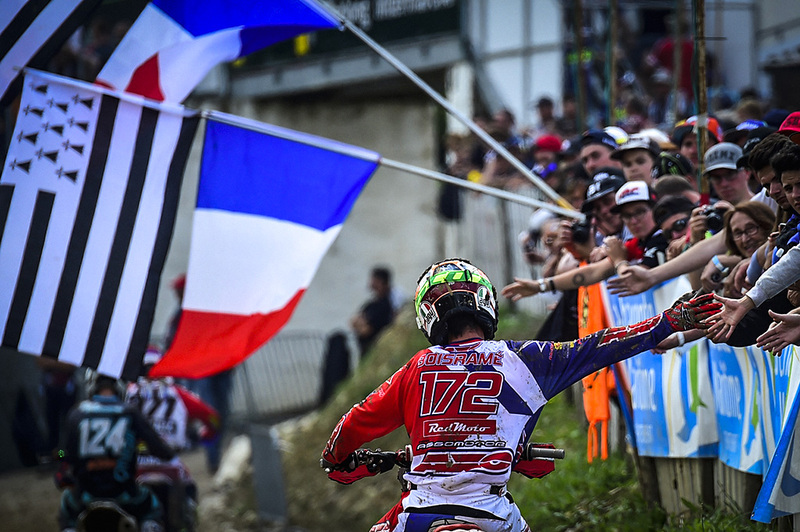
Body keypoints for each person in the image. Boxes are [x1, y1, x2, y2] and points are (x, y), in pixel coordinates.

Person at [320, 259, 719, 532]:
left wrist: (337, 462)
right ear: (486, 304)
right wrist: (671, 319)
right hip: (492, 513)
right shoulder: (523, 359)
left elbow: (354, 422)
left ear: (429, 317)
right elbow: (604, 345)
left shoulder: (416, 367)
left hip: (420, 511)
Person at [57, 373, 174, 532]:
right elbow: (161, 450)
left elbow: (64, 453)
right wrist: (167, 451)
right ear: (120, 386)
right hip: (126, 494)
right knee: (152, 509)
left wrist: (60, 460)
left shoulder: (77, 413)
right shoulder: (130, 413)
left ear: (90, 385)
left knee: (67, 513)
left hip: (86, 495)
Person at [320, 266, 396, 403]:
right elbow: (354, 321)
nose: (371, 283)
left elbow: (367, 329)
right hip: (364, 350)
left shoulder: (385, 305)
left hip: (374, 350)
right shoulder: (371, 304)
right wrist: (362, 324)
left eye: (374, 279)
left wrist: (362, 324)